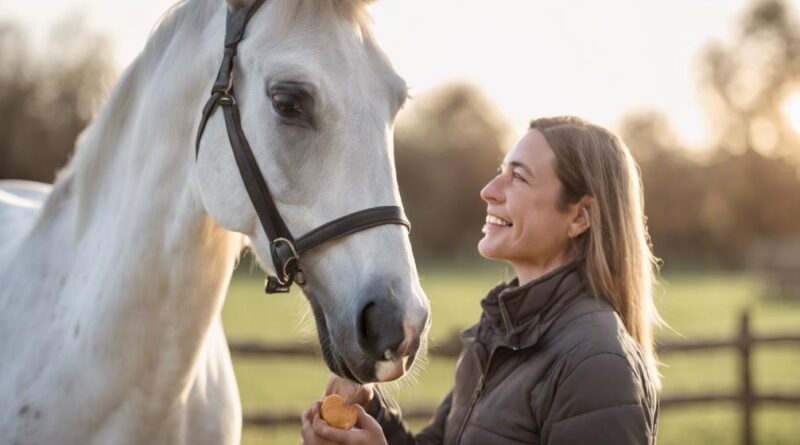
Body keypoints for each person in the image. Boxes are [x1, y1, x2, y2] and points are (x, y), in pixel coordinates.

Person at [301, 116, 661, 445]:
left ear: (580, 216)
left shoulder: (597, 366)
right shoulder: (496, 336)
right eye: (500, 171)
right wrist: (373, 415)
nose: (489, 190)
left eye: (518, 176)